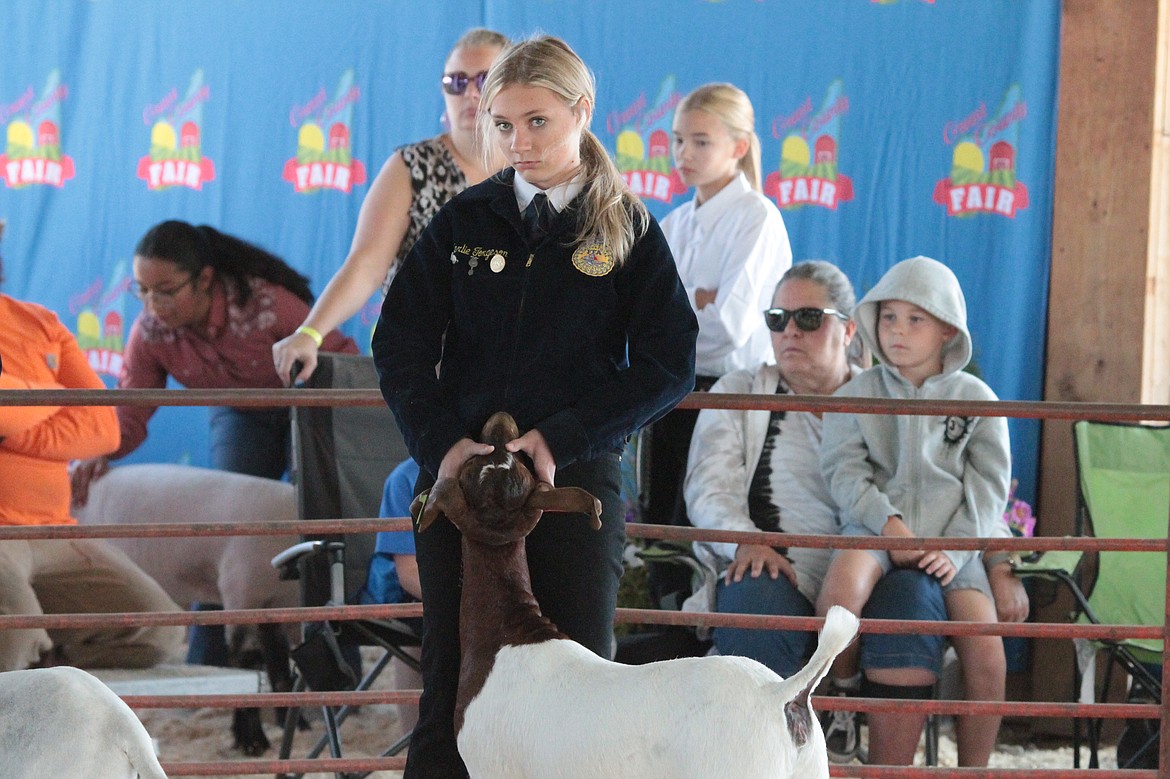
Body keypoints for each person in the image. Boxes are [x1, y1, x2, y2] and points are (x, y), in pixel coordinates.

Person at [371, 35, 698, 777]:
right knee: (454, 679)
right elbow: (399, 345)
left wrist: (564, 438)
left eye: (538, 122)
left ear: (581, 111)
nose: (518, 142)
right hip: (461, 490)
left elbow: (669, 359)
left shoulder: (626, 227)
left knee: (581, 678)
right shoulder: (464, 220)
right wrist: (443, 446)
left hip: (571, 490)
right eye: (504, 124)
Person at [684, 260, 949, 764]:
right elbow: (708, 487)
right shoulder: (741, 391)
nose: (789, 332)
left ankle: (886, 769)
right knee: (754, 599)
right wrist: (744, 540)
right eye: (777, 318)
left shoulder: (890, 397)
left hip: (877, 564)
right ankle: (765, 766)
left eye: (808, 318)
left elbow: (938, 483)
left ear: (848, 330)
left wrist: (989, 562)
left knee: (915, 601)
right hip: (776, 562)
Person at [817, 255, 1012, 767]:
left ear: (948, 330)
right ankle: (843, 695)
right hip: (876, 529)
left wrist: (955, 547)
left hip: (955, 546)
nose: (897, 331)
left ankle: (974, 769)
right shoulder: (856, 395)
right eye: (887, 317)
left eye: (915, 319)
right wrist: (888, 523)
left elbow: (989, 489)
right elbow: (843, 472)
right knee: (838, 598)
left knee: (987, 650)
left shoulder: (978, 399)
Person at [272, 28, 510, 387]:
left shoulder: (533, 168)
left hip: (515, 368)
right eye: (455, 82)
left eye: (484, 79)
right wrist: (311, 332)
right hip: (428, 368)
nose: (470, 93)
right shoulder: (410, 165)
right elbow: (367, 265)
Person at [70, 219, 359, 500]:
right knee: (236, 501)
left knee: (314, 499)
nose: (153, 305)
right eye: (143, 290)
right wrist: (100, 448)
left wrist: (352, 422)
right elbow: (131, 409)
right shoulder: (149, 333)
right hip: (240, 412)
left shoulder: (266, 304)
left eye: (167, 291)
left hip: (307, 407)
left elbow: (341, 358)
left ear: (204, 279)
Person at [0, 233, 184, 671]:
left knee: (160, 629)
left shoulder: (38, 322)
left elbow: (103, 429)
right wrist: (54, 394)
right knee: (16, 636)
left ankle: (48, 679)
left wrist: (14, 425)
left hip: (53, 533)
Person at [646, 83, 792, 604]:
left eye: (701, 142)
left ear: (739, 146)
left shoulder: (756, 217)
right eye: (678, 140)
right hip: (667, 399)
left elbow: (730, 328)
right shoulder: (672, 224)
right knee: (665, 540)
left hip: (728, 399)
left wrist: (677, 314)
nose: (684, 154)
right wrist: (695, 303)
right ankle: (669, 656)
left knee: (709, 539)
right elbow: (638, 325)